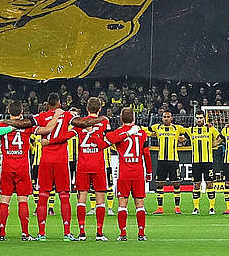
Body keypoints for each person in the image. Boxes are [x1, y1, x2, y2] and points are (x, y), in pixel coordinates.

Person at [28, 94, 76, 240]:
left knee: (43, 196)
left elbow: (29, 124)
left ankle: (41, 233)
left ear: (47, 104)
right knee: (64, 196)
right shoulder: (67, 115)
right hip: (61, 160)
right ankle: (67, 233)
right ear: (60, 103)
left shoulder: (41, 116)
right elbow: (74, 130)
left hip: (46, 160)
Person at [102, 108, 151, 240]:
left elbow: (108, 138)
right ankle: (141, 234)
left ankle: (123, 234)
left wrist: (126, 133)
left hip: (124, 173)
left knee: (122, 203)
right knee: (139, 203)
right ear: (134, 118)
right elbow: (146, 153)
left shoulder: (118, 133)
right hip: (138, 172)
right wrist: (149, 171)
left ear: (121, 119)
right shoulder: (142, 133)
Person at [0, 101, 35, 240]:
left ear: (9, 111)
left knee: (4, 201)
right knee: (23, 200)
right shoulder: (27, 126)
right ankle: (25, 234)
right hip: (22, 168)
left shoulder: (3, 125)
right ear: (21, 111)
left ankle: (2, 234)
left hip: (7, 167)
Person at [69, 97, 112, 240]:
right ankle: (99, 233)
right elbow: (106, 142)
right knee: (100, 198)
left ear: (87, 108)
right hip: (98, 163)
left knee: (82, 197)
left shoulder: (80, 123)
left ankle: (82, 233)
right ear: (100, 109)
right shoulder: (104, 122)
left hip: (83, 163)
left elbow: (69, 134)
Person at [149, 110, 187, 214]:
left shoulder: (177, 128)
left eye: (168, 116)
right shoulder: (157, 127)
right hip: (161, 160)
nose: (166, 118)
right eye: (164, 116)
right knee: (160, 184)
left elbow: (188, 132)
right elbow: (147, 130)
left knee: (176, 183)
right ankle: (160, 208)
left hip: (173, 160)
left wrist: (183, 138)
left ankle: (177, 208)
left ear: (171, 118)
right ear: (162, 118)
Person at [186, 112, 220, 215]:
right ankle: (196, 208)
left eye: (201, 118)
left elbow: (220, 138)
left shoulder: (211, 129)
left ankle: (212, 208)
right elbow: (181, 136)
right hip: (196, 162)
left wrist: (213, 145)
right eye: (197, 118)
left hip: (208, 162)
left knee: (210, 184)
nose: (199, 120)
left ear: (204, 118)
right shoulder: (191, 130)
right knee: (196, 184)